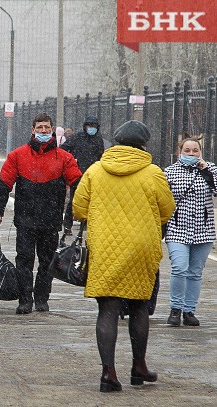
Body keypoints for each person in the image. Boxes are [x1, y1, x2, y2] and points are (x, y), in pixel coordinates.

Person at [72, 120, 175, 392]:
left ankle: (108, 373)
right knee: (140, 306)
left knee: (107, 309)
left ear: (115, 143)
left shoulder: (95, 170)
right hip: (141, 247)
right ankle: (139, 367)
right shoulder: (153, 173)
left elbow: (79, 209)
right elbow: (167, 209)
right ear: (143, 144)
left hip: (105, 246)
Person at [0, 112, 81, 314]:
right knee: (24, 260)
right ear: (32, 130)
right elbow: (3, 185)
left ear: (52, 130)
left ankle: (41, 299)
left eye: (47, 128)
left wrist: (75, 210)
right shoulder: (17, 155)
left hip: (50, 220)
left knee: (47, 262)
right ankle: (25, 300)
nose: (43, 131)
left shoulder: (64, 158)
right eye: (39, 127)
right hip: (25, 219)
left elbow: (78, 184)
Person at [164, 137, 217, 327]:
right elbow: (162, 199)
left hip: (203, 230)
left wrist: (207, 173)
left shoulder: (210, 170)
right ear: (180, 152)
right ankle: (175, 308)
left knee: (195, 272)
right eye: (187, 150)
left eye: (195, 150)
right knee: (179, 268)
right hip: (178, 229)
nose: (192, 154)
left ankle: (189, 310)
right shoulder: (169, 172)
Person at [60, 116, 105, 235]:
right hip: (78, 174)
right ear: (85, 127)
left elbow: (101, 155)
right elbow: (63, 149)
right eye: (89, 126)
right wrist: (71, 161)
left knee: (90, 200)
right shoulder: (77, 137)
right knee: (74, 200)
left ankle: (84, 224)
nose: (91, 129)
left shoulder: (98, 139)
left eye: (94, 127)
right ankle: (68, 226)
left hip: (93, 174)